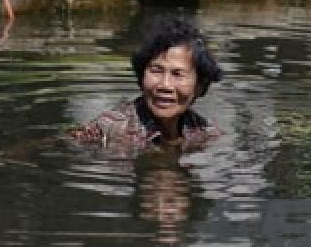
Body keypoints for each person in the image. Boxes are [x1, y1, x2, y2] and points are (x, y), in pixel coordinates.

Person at [71, 15, 223, 148]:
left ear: (199, 86)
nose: (165, 85)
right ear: (141, 77)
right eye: (156, 70)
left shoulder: (203, 132)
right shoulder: (107, 130)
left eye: (177, 74)